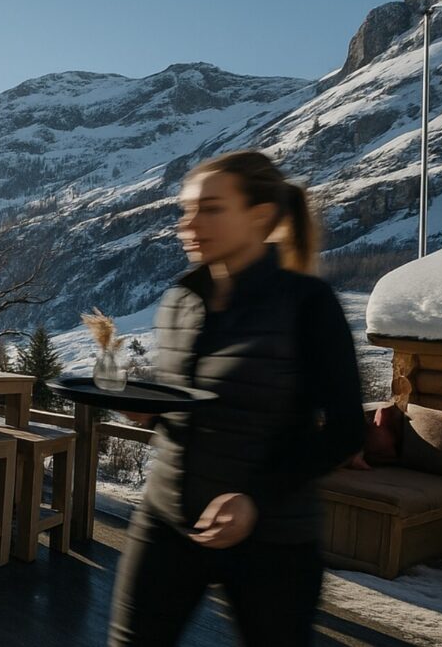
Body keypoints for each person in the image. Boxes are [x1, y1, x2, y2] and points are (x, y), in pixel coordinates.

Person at [108, 150, 364, 646]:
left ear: (261, 215)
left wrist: (256, 499)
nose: (189, 224)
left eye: (210, 208)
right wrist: (149, 413)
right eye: (184, 210)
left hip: (274, 540)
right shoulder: (180, 299)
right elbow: (182, 408)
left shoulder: (308, 305)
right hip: (168, 520)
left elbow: (345, 431)